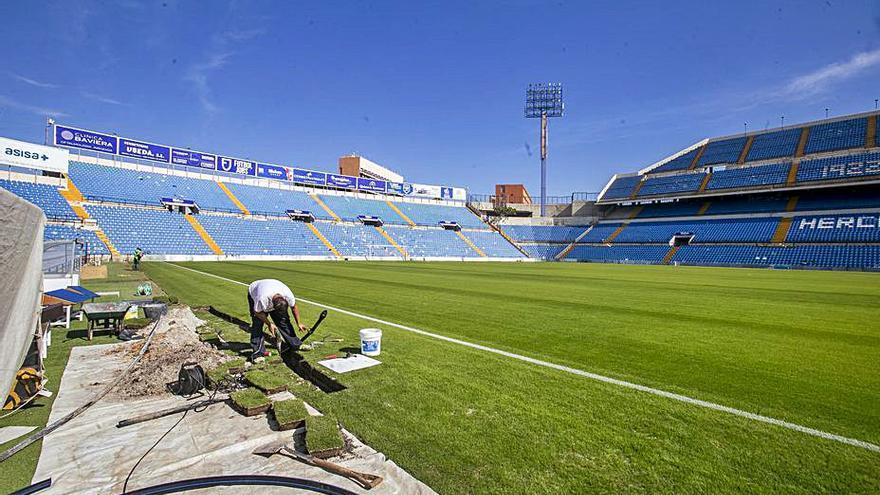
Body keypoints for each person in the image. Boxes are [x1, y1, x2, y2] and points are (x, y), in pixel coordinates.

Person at [247, 279, 309, 362]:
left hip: (273, 286)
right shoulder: (261, 299)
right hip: (255, 290)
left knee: (283, 321)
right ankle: (258, 353)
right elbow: (257, 312)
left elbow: (294, 307)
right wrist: (269, 324)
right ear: (272, 306)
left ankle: (296, 344)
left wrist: (299, 323)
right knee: (257, 324)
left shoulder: (288, 295)